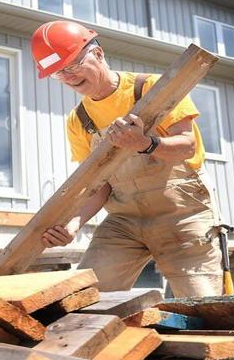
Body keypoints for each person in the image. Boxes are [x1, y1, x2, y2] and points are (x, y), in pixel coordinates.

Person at [31, 19, 223, 296]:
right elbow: (99, 184)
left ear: (97, 54)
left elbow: (187, 146)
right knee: (86, 298)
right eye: (59, 73)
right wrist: (73, 224)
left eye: (72, 66)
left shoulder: (154, 88)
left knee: (203, 306)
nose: (69, 77)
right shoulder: (78, 120)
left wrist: (145, 143)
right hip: (125, 222)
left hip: (181, 215)